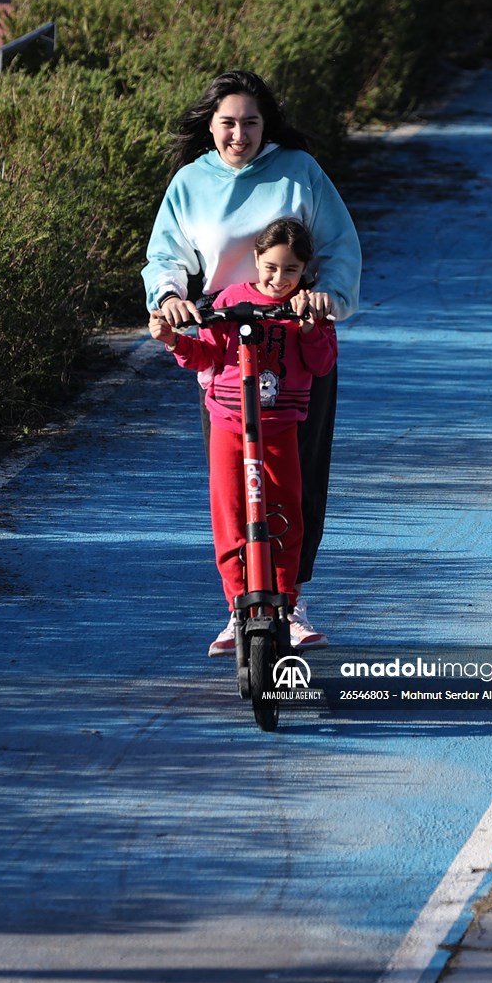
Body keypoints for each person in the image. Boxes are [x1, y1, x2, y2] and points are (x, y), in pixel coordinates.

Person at [142, 69, 361, 646]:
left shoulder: (300, 172)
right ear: (210, 126)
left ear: (268, 124)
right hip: (222, 349)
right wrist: (169, 299)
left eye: (251, 122)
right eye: (228, 124)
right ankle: (241, 602)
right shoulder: (190, 183)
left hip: (296, 343)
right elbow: (163, 254)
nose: (239, 134)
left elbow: (340, 245)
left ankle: (293, 600)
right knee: (234, 486)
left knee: (298, 479)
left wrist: (326, 301)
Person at [149, 219, 337, 656]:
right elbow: (205, 357)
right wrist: (173, 340)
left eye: (290, 270)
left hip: (280, 427)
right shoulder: (230, 302)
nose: (278, 278)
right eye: (270, 267)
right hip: (230, 426)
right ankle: (238, 609)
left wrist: (310, 327)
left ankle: (287, 607)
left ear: (305, 270)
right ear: (255, 261)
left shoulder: (307, 308)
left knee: (287, 513)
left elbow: (322, 364)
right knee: (231, 519)